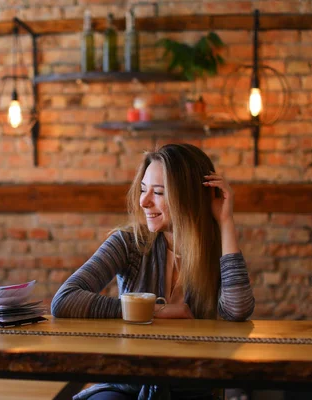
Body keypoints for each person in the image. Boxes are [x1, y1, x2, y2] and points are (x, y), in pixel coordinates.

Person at [51, 143, 255, 400]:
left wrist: (225, 221)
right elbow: (64, 300)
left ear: (189, 197)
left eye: (158, 192)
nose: (144, 201)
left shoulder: (218, 251)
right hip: (126, 384)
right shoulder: (128, 243)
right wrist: (153, 309)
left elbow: (237, 311)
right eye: (143, 190)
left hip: (191, 386)